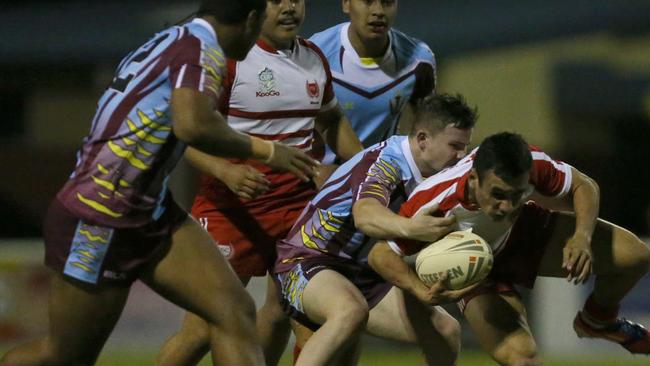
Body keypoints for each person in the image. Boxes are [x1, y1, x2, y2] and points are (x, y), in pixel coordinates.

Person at [0, 1, 321, 365]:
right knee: (65, 356)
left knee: (234, 311)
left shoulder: (173, 38)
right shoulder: (203, 51)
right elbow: (193, 124)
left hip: (151, 211)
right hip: (99, 215)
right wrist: (268, 152)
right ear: (250, 20)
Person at [155, 1, 363, 365]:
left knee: (304, 321)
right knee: (204, 328)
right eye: (277, 0)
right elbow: (181, 133)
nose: (290, 7)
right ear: (255, 9)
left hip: (298, 212)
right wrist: (225, 171)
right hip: (231, 211)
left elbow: (331, 119)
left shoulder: (313, 57)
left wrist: (361, 170)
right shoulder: (230, 60)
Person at [374, 132, 650, 366]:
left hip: (524, 232)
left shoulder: (531, 162)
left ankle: (597, 320)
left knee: (636, 256)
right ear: (473, 180)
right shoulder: (433, 201)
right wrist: (420, 290)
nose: (506, 205)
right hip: (476, 272)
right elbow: (380, 254)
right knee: (523, 358)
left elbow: (583, 185)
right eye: (497, 194)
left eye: (517, 194)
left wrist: (582, 236)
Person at [274, 93, 478, 366]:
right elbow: (365, 215)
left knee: (445, 331)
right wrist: (410, 228)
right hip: (305, 262)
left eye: (465, 146)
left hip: (361, 274)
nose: (461, 155)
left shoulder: (439, 177)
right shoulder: (385, 162)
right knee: (349, 311)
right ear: (422, 139)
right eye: (455, 145)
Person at [310, 0, 437, 164]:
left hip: (380, 179)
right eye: (368, 1)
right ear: (346, 4)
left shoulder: (419, 60)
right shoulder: (313, 54)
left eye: (388, 2)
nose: (378, 11)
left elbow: (428, 132)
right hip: (320, 180)